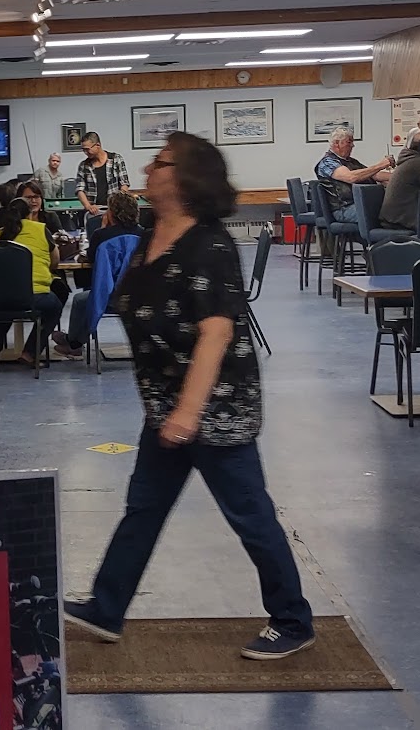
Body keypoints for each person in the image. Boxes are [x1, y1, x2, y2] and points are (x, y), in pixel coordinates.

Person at [63, 132, 316, 660]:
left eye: (161, 162)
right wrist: (169, 410)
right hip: (166, 408)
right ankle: (107, 608)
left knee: (250, 515)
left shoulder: (210, 244)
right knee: (144, 508)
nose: (150, 168)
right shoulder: (153, 233)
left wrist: (188, 412)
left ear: (184, 179)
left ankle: (293, 620)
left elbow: (216, 333)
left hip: (215, 409)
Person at [49, 192, 142, 358]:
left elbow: (91, 258)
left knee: (81, 300)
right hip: (141, 296)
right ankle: (72, 342)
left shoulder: (101, 235)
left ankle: (74, 344)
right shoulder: (144, 234)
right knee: (87, 299)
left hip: (111, 298)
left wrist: (104, 228)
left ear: (112, 213)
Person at [0, 196, 63, 370]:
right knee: (54, 305)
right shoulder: (41, 229)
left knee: (4, 306)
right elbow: (55, 260)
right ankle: (30, 353)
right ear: (30, 214)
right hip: (33, 295)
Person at [315, 127, 392, 224]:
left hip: (360, 204)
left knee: (393, 208)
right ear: (336, 143)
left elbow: (374, 175)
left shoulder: (352, 162)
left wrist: (399, 176)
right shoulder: (328, 162)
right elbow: (351, 177)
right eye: (349, 142)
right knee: (386, 213)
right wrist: (381, 165)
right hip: (344, 209)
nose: (352, 145)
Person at [75, 131, 131, 217]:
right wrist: (88, 206)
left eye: (87, 149)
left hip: (114, 210)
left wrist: (117, 203)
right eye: (83, 150)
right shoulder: (83, 166)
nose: (86, 152)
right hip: (94, 211)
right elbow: (80, 189)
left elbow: (124, 184)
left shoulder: (116, 159)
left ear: (97, 145)